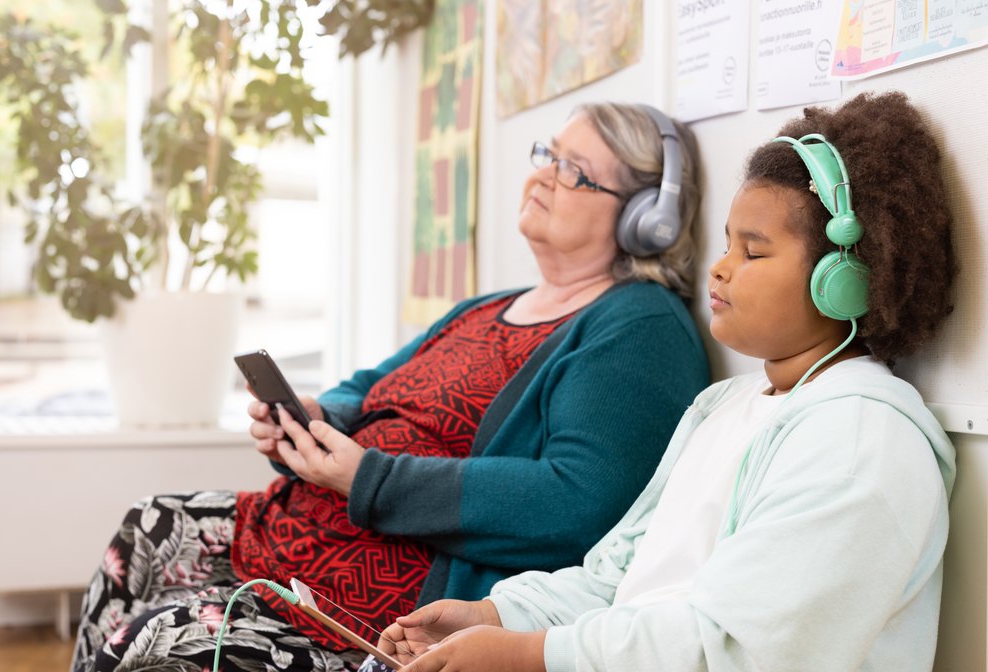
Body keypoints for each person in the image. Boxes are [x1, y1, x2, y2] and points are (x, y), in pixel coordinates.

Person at [71, 102, 711, 671]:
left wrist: (365, 480)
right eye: (548, 153)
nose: (543, 174)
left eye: (574, 170)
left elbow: (579, 501)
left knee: (156, 640)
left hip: (386, 601)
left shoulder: (638, 327)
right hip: (295, 530)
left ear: (644, 219)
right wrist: (318, 417)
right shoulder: (490, 307)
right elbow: (370, 388)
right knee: (148, 525)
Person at [374, 90, 957, 672]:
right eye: (727, 242)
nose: (721, 266)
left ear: (845, 281)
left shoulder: (859, 442)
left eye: (753, 253)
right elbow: (620, 578)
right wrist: (501, 617)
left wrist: (529, 655)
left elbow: (731, 650)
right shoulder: (726, 406)